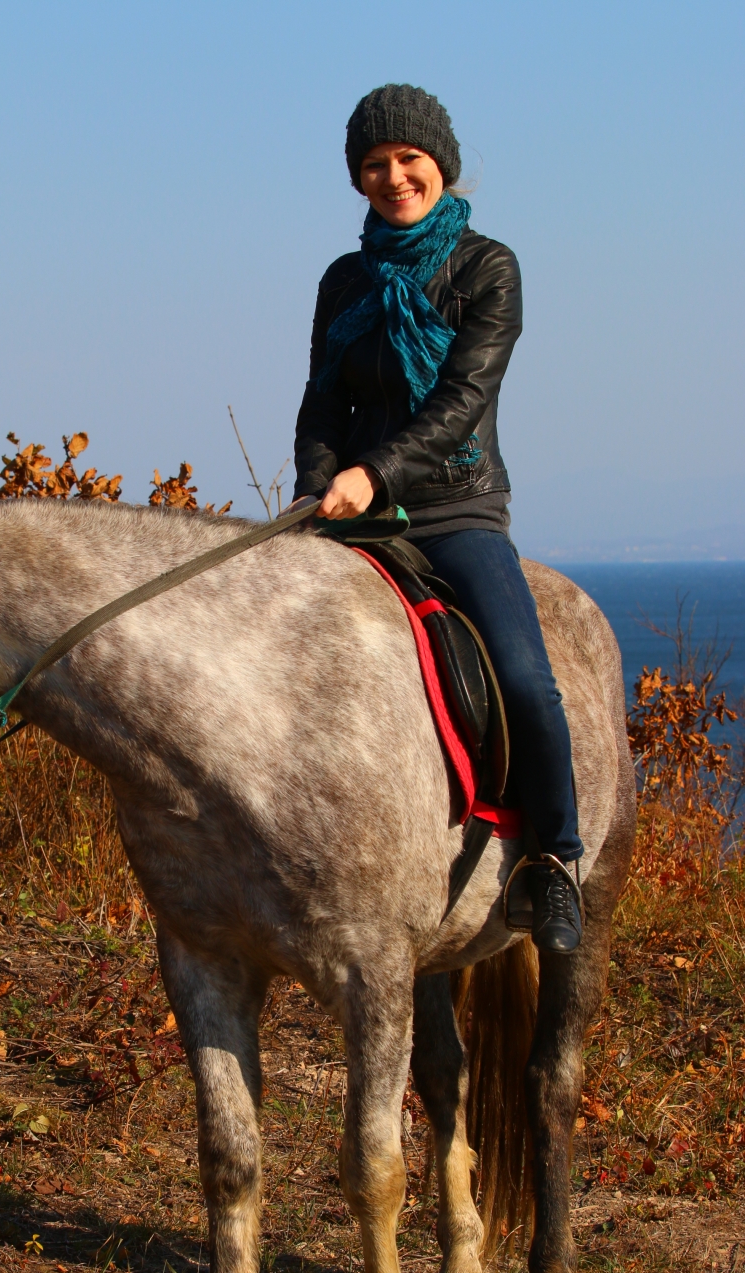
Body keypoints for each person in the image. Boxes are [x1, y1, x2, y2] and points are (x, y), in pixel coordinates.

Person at [293, 83, 583, 953]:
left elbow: (463, 401)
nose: (393, 177)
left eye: (408, 161)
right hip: (349, 514)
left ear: (441, 167)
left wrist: (372, 475)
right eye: (374, 165)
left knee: (528, 680)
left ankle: (554, 861)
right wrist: (317, 488)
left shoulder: (489, 267)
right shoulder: (342, 280)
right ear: (358, 179)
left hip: (454, 508)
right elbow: (319, 403)